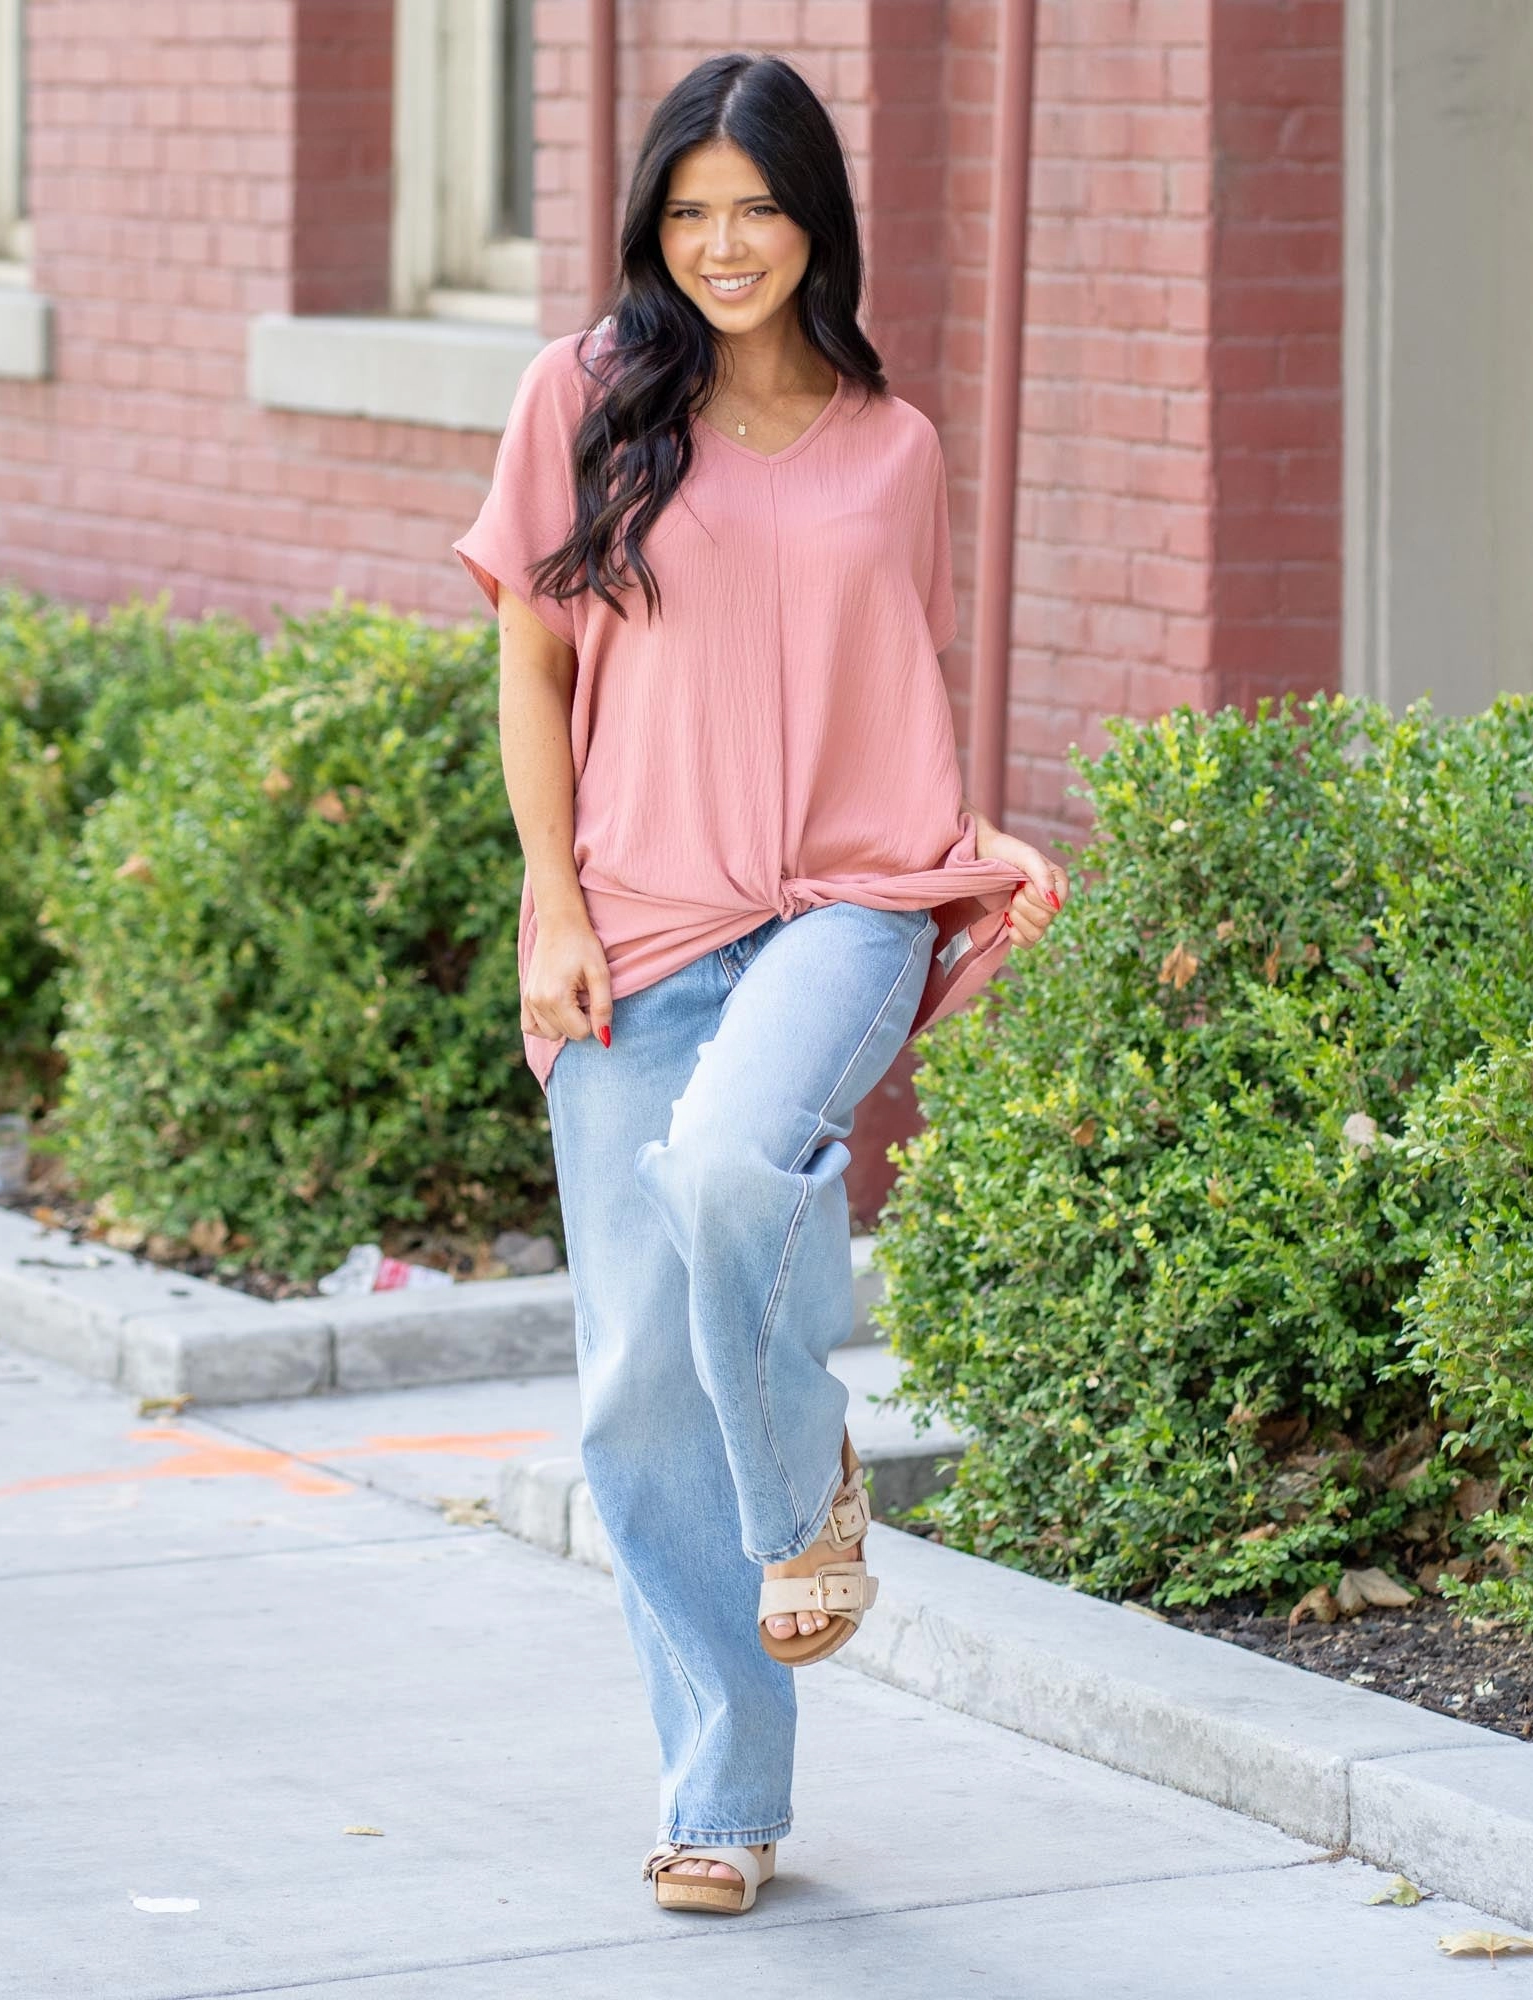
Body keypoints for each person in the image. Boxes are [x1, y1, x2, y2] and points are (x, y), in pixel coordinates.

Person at [453, 50, 1066, 1918]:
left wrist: (962, 839)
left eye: (760, 209)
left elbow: (886, 689)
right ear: (656, 227)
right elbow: (531, 674)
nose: (725, 245)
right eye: (690, 212)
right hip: (633, 919)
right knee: (635, 1385)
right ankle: (721, 1797)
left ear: (819, 224)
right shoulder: (583, 395)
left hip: (844, 911)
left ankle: (807, 1481)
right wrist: (552, 907)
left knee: (733, 1170)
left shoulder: (899, 445)